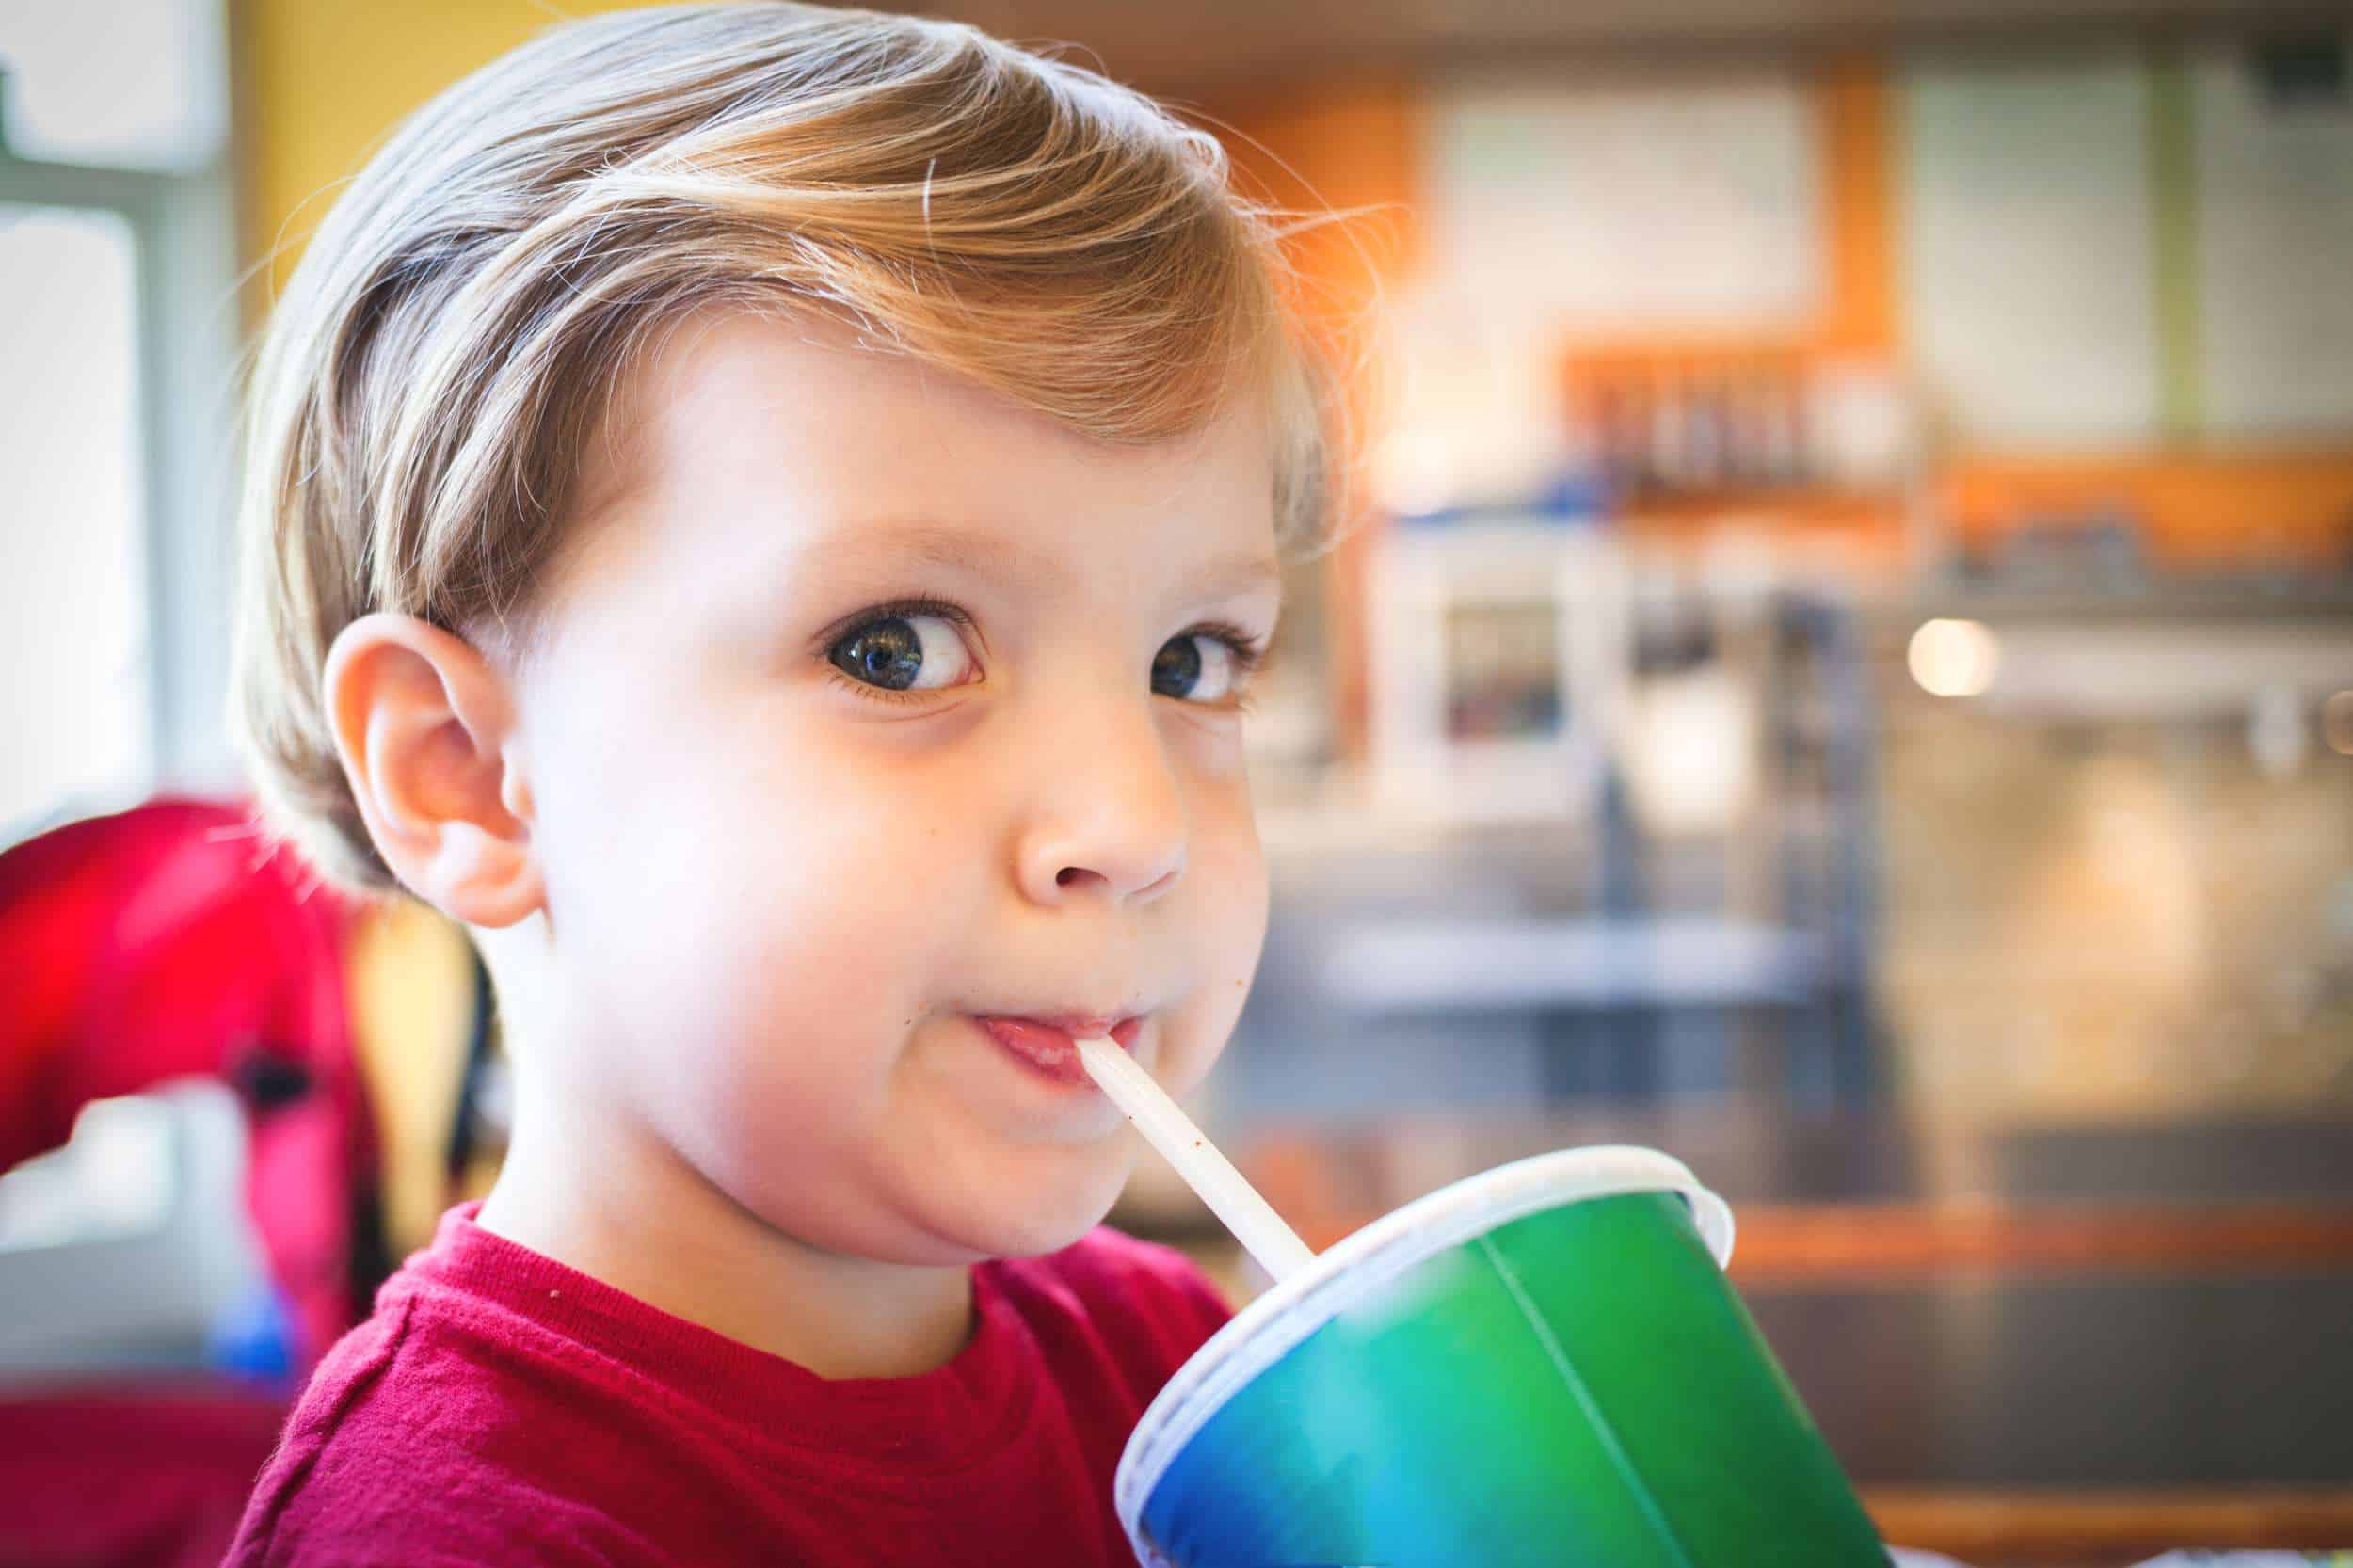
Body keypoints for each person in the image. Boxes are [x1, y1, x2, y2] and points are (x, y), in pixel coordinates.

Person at [219, 4, 1355, 1562]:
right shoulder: (455, 1536)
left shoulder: (1180, 1377)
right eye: (895, 648)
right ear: (470, 777)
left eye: (1192, 662)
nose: (1139, 826)